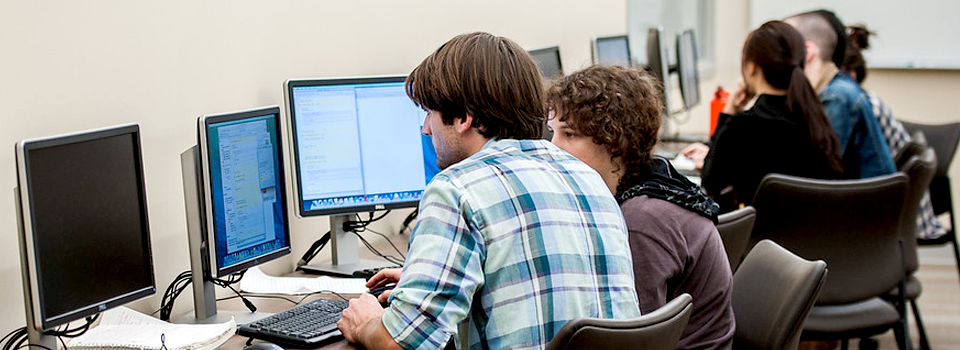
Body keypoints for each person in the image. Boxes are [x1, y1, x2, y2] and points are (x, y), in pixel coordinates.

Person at [336, 32, 641, 350]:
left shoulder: (456, 190)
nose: (426, 129)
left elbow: (401, 344)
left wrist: (368, 322)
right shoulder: (585, 176)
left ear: (464, 119)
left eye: (429, 114)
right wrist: (435, 279)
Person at [546, 64, 734, 350]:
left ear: (614, 141)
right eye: (553, 132)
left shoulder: (640, 222)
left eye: (569, 134)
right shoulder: (654, 184)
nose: (552, 147)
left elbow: (633, 335)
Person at [687, 21, 843, 212]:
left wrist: (730, 110)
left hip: (759, 241)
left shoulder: (742, 126)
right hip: (812, 239)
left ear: (751, 68)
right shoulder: (816, 120)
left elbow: (711, 183)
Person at [842, 25, 946, 239]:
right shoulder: (864, 99)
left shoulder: (858, 107)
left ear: (849, 75)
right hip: (901, 214)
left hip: (892, 223)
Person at [784, 10, 896, 179]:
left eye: (783, 46)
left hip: (864, 203)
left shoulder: (836, 96)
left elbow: (819, 174)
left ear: (807, 52)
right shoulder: (837, 87)